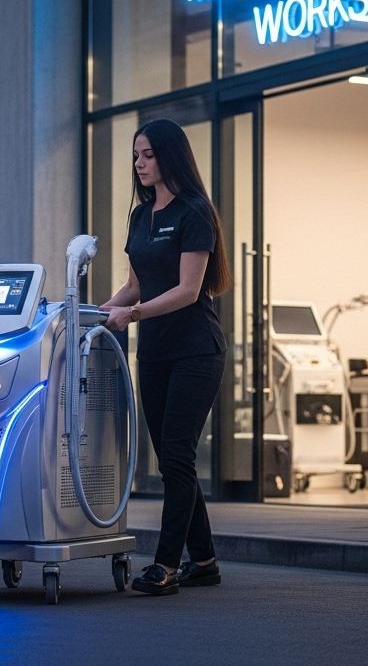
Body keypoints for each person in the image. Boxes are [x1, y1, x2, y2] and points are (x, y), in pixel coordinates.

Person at [99, 119, 230, 595]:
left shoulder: (195, 212)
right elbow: (134, 285)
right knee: (175, 460)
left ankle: (166, 565)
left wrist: (131, 314)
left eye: (148, 155)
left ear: (170, 156)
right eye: (136, 155)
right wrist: (92, 314)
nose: (139, 163)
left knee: (176, 455)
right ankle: (205, 561)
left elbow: (188, 291)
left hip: (196, 351)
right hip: (154, 353)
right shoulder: (141, 216)